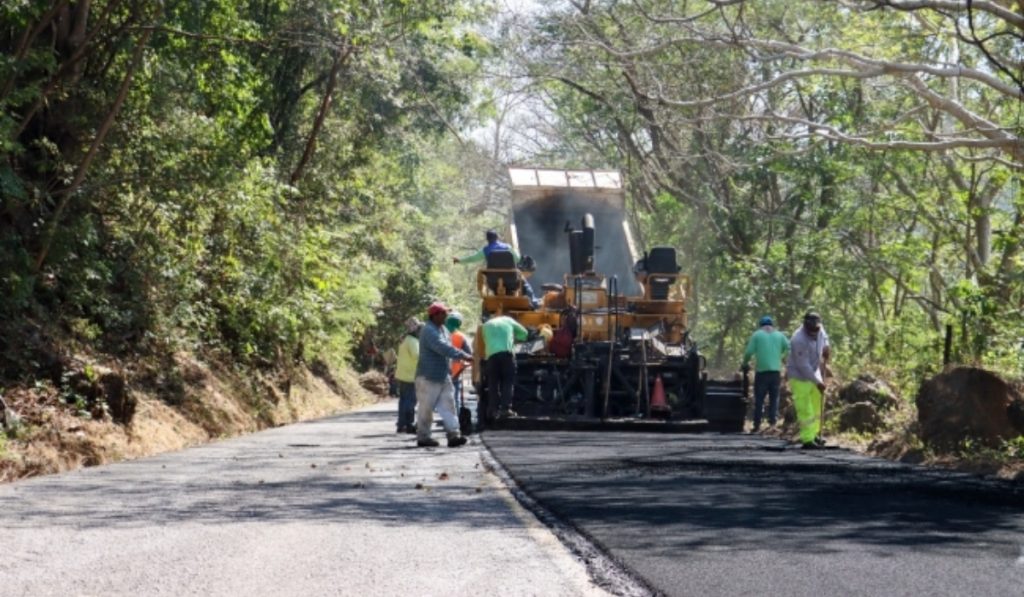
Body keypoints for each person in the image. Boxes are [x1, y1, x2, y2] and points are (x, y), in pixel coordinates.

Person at [415, 302, 473, 448]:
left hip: (443, 376)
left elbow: (449, 347)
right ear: (435, 315)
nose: (446, 316)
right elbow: (442, 347)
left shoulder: (443, 330)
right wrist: (464, 356)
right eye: (443, 313)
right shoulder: (428, 330)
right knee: (426, 408)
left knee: (449, 405)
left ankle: (454, 435)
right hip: (428, 377)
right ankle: (423, 437)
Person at [454, 229, 539, 308]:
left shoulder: (485, 250)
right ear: (497, 237)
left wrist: (459, 261)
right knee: (524, 282)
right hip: (511, 281)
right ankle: (533, 302)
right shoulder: (508, 247)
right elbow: (517, 259)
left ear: (487, 239)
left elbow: (472, 258)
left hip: (493, 282)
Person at [787, 311, 832, 449]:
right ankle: (807, 439)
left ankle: (815, 435)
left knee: (817, 403)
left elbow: (825, 338)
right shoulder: (798, 339)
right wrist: (818, 382)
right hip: (799, 376)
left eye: (816, 329)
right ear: (806, 326)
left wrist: (826, 348)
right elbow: (803, 366)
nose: (814, 332)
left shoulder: (819, 328)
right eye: (811, 330)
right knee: (805, 408)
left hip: (814, 371)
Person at [742, 315, 790, 432]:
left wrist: (744, 363)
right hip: (775, 372)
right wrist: (782, 358)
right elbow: (789, 348)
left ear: (761, 325)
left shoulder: (757, 335)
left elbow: (748, 352)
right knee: (774, 398)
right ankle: (772, 424)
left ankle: (757, 425)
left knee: (759, 398)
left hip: (762, 372)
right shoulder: (780, 335)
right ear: (771, 325)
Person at [481, 315, 529, 419]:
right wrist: (516, 338)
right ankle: (505, 409)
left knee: (493, 383)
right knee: (508, 382)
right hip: (506, 356)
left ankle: (493, 409)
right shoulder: (509, 320)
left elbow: (484, 341)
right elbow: (525, 333)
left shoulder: (485, 325)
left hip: (491, 357)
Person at [394, 317, 420, 434]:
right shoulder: (413, 341)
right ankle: (408, 424)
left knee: (403, 400)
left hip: (402, 374)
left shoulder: (404, 340)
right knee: (410, 401)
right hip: (411, 375)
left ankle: (401, 424)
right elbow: (417, 356)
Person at [446, 312, 471, 409]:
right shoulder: (460, 337)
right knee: (455, 397)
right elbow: (469, 355)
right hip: (455, 371)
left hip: (440, 371)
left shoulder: (440, 334)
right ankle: (455, 420)